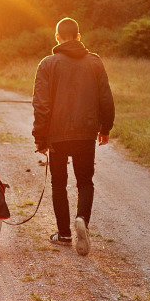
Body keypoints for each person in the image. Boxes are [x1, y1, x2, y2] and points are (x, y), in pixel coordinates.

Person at [32, 17, 115, 256]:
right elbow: (105, 98)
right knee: (85, 181)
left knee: (59, 184)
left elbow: (41, 104)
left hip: (57, 136)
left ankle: (65, 234)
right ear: (79, 37)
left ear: (57, 37)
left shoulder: (47, 64)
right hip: (86, 133)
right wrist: (105, 128)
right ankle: (82, 221)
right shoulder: (95, 62)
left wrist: (40, 136)